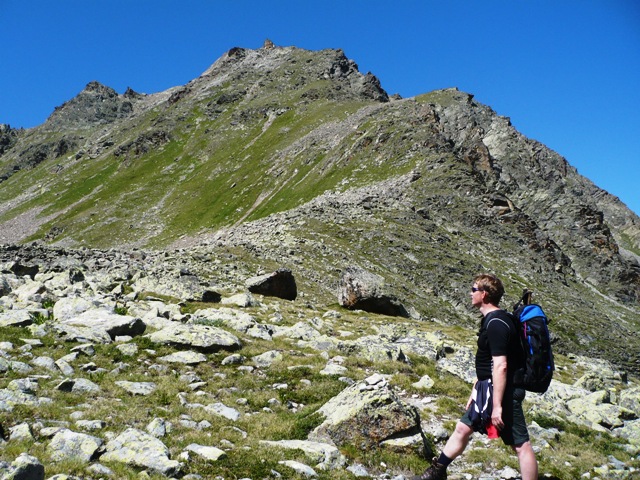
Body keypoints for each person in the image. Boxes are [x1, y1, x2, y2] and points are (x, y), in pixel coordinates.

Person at [411, 274, 538, 480]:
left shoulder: (497, 323)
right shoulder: (492, 320)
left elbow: (501, 366)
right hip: (487, 388)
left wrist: (497, 407)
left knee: (520, 444)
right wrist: (476, 389)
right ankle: (437, 472)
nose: (470, 294)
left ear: (484, 294)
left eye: (473, 289)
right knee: (462, 427)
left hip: (504, 392)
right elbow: (488, 364)